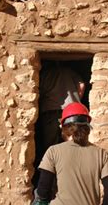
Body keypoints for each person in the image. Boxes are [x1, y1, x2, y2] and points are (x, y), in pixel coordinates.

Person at [32, 61, 85, 189]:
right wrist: (76, 100)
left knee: (50, 150)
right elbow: (82, 85)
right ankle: (68, 182)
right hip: (71, 114)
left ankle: (47, 184)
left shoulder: (46, 74)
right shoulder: (71, 72)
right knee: (72, 147)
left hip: (50, 113)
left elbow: (38, 91)